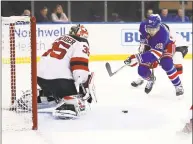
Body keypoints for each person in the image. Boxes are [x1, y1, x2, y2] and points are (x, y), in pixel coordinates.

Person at [12, 24, 96, 119]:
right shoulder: (82, 42)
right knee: (77, 100)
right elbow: (79, 70)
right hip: (60, 79)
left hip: (39, 77)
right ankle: (69, 105)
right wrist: (84, 86)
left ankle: (32, 99)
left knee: (53, 94)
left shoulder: (60, 38)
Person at [124, 14, 184, 97]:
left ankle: (178, 86)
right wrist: (139, 54)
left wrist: (136, 58)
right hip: (150, 45)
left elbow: (155, 54)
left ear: (159, 26)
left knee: (166, 64)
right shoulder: (142, 26)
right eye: (149, 29)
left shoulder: (163, 34)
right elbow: (143, 40)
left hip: (167, 46)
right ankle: (150, 79)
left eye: (154, 29)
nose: (151, 32)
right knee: (142, 70)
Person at [130, 22, 188, 89]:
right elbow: (145, 48)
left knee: (177, 59)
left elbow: (160, 49)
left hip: (178, 46)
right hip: (163, 46)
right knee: (145, 61)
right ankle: (142, 78)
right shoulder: (151, 32)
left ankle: (179, 85)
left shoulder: (164, 34)